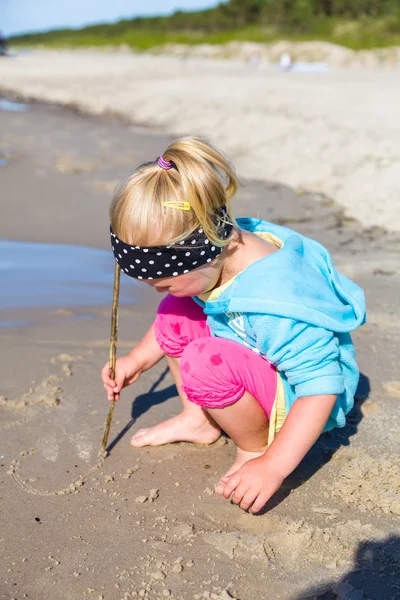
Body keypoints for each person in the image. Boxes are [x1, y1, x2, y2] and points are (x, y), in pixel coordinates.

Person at [101, 137, 366, 514]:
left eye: (163, 281)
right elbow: (181, 300)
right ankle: (199, 421)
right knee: (177, 311)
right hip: (257, 355)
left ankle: (253, 445)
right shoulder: (222, 244)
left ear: (204, 250)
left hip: (297, 401)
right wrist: (137, 361)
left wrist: (271, 465)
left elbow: (321, 387)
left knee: (201, 360)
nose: (157, 291)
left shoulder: (274, 303)